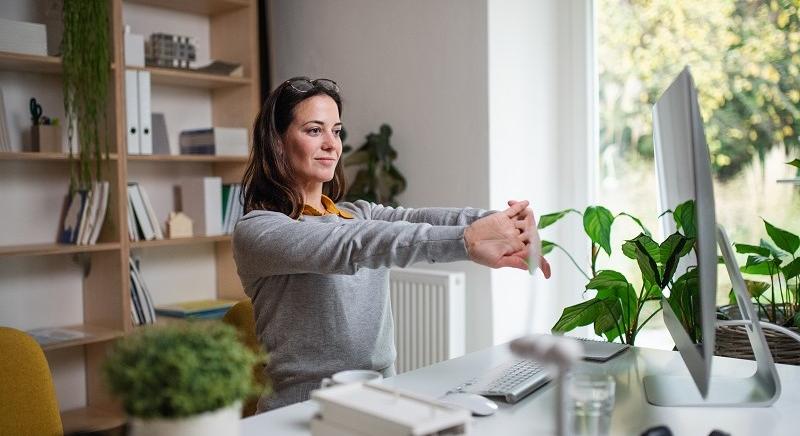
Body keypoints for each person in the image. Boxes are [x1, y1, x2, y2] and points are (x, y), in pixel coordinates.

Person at [233, 76, 551, 413]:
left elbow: (418, 219)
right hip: (301, 410)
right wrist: (466, 241)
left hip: (382, 398)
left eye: (336, 131)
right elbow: (350, 245)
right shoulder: (259, 231)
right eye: (314, 130)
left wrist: (504, 221)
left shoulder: (359, 213)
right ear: (278, 143)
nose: (332, 144)